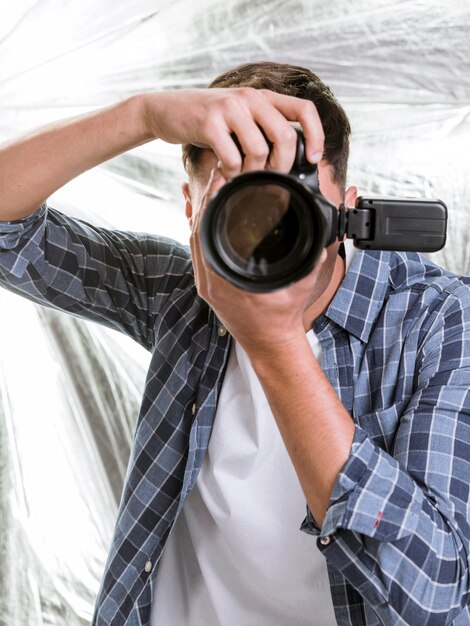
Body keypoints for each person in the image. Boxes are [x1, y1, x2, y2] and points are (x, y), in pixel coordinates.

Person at [0, 61, 469, 626]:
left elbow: (437, 595)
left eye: (292, 201)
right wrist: (144, 114)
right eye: (242, 200)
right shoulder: (180, 295)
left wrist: (274, 342)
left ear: (346, 208)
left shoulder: (437, 320)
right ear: (192, 208)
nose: (269, 230)